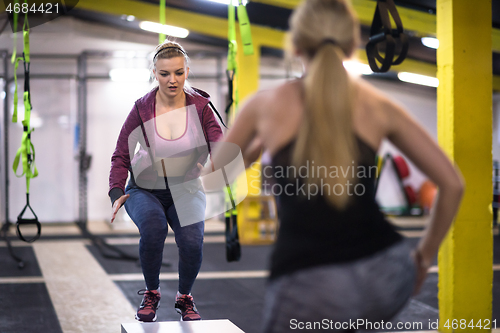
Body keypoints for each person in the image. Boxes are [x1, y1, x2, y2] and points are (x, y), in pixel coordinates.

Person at [211, 0, 464, 331]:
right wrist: (423, 257)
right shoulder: (379, 104)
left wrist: (256, 148)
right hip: (387, 273)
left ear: (296, 44)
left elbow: (212, 181)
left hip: (309, 284)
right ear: (353, 44)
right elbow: (453, 184)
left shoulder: (264, 105)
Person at [108, 41, 223, 322]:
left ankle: (185, 297)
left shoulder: (202, 107)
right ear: (154, 72)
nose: (173, 80)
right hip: (145, 189)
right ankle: (152, 293)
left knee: (192, 241)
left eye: (179, 73)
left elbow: (220, 143)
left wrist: (212, 165)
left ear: (187, 71)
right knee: (153, 227)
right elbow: (121, 153)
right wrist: (116, 192)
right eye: (164, 74)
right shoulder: (141, 108)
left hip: (185, 187)